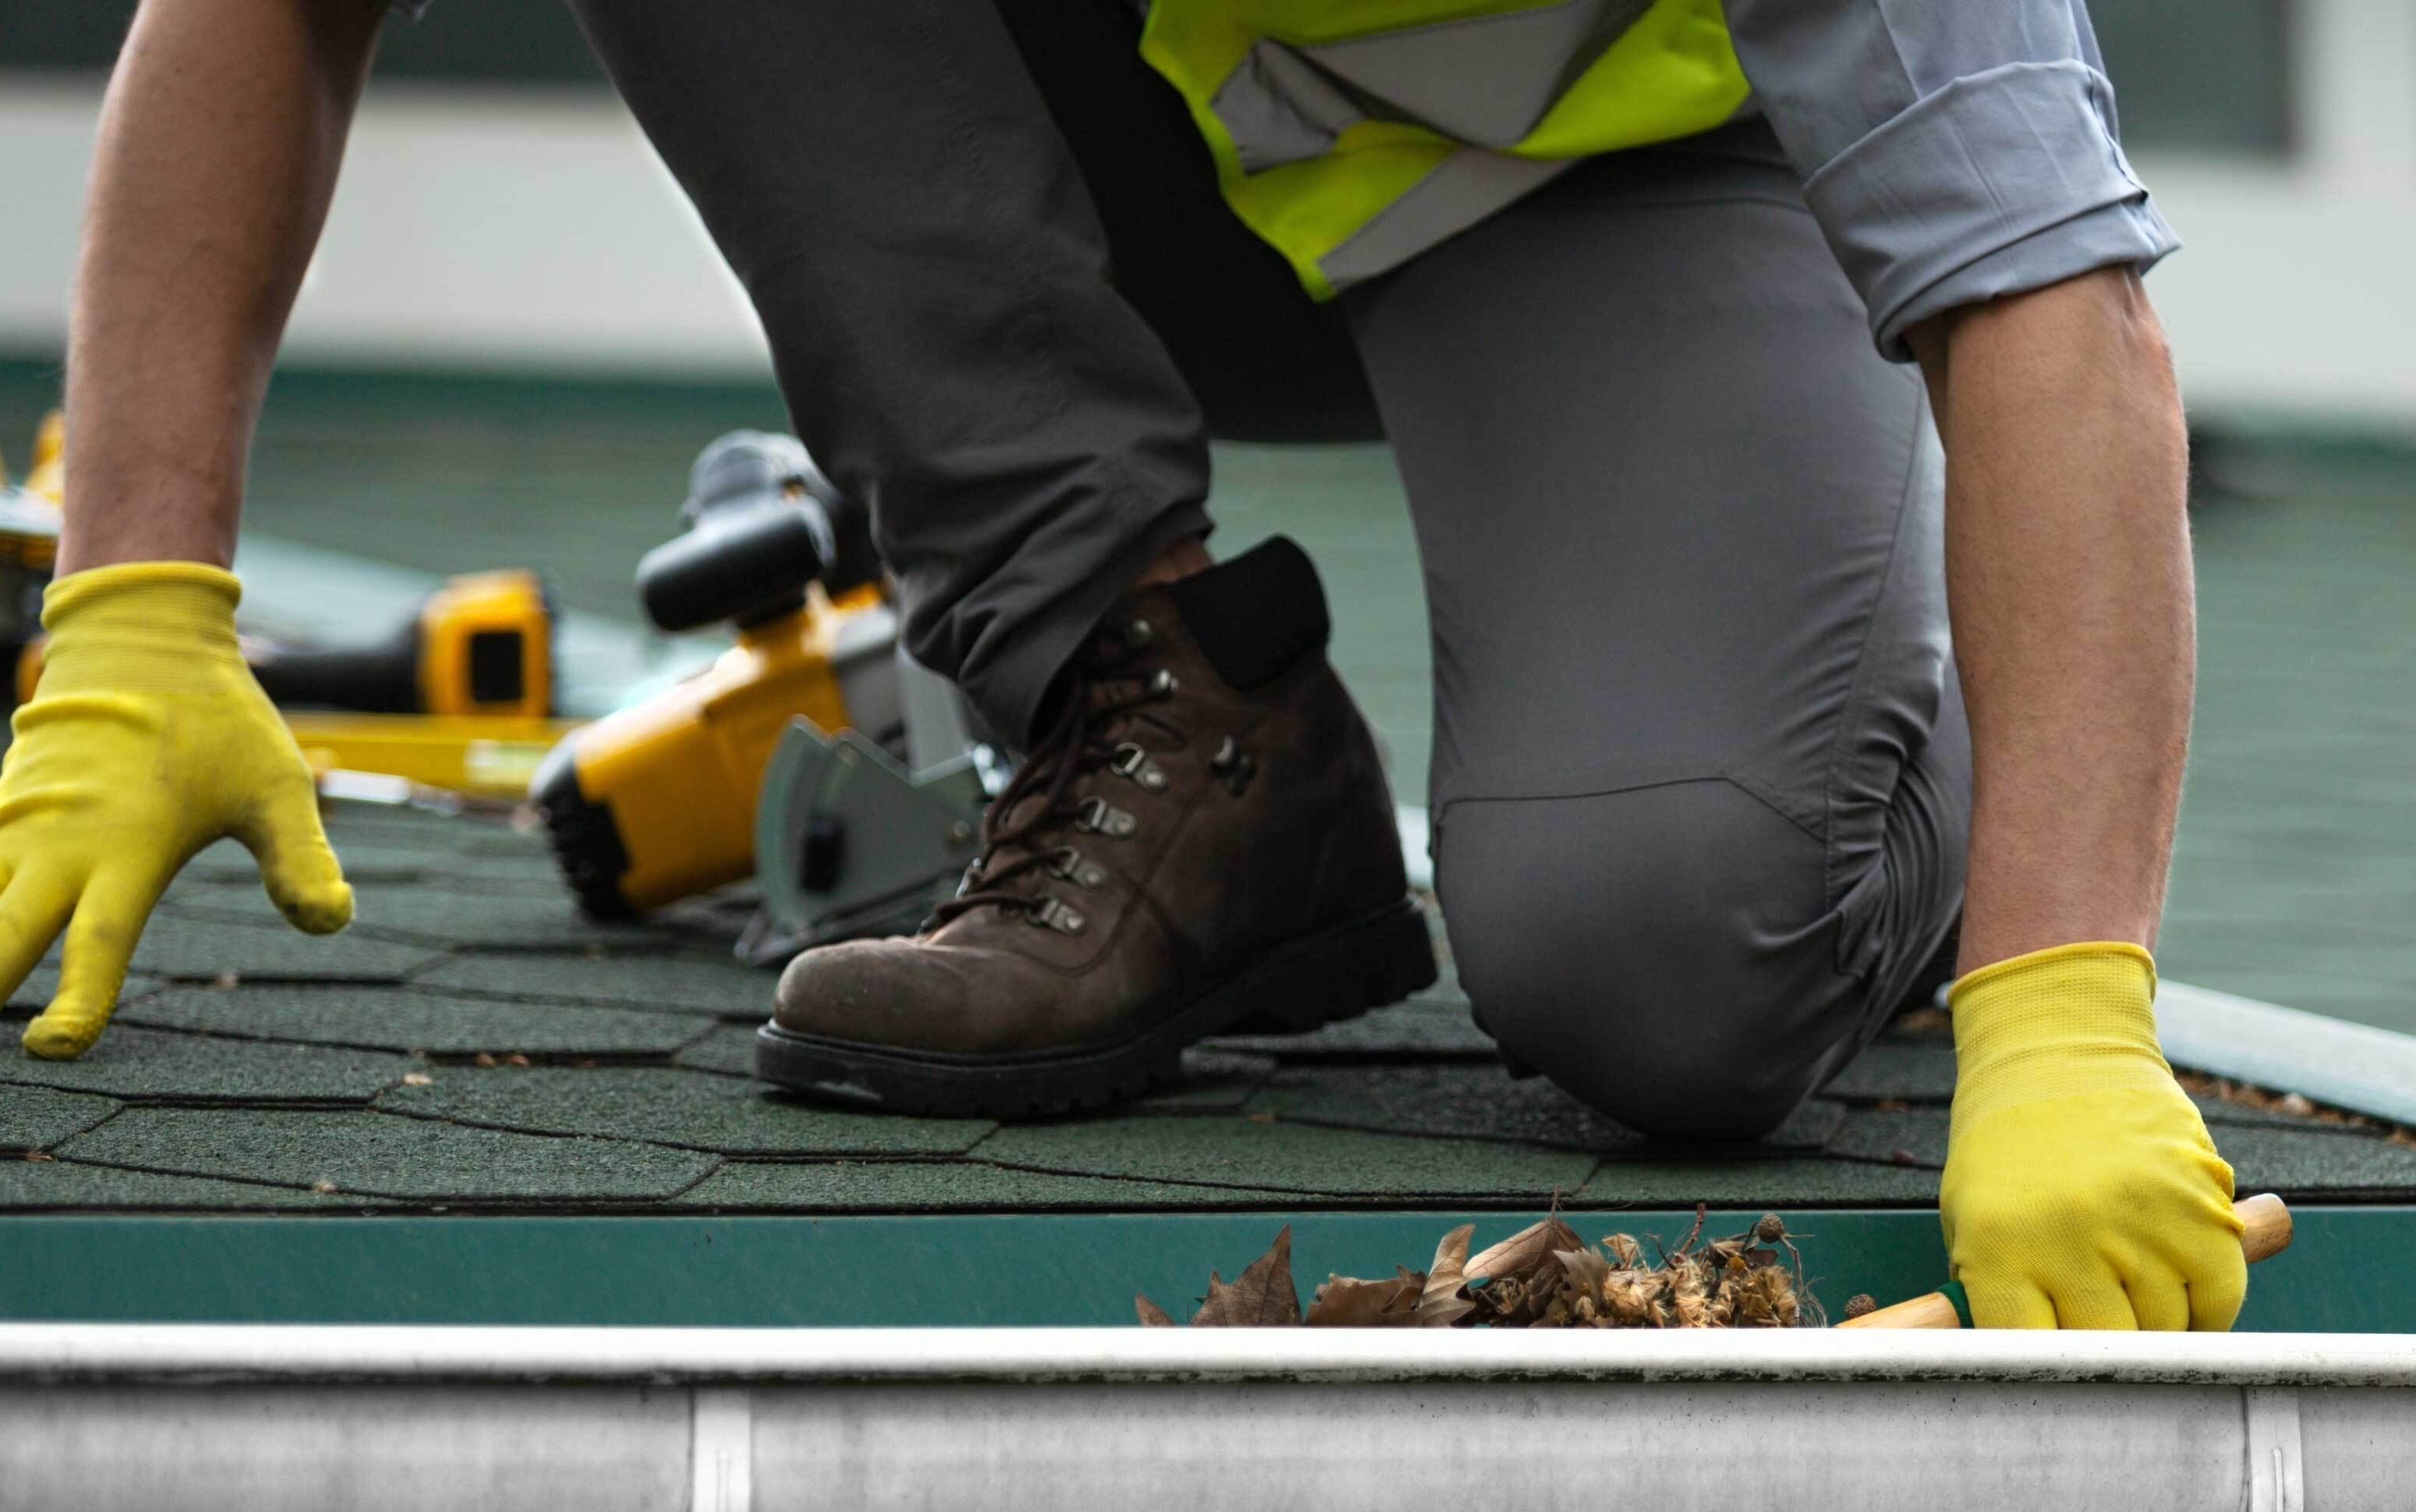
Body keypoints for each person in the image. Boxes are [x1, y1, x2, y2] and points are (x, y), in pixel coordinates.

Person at [0, 0, 2245, 1332]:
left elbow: (2055, 305)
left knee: (1669, 970)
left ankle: (1893, 778)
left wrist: (2057, 991)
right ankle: (1141, 688)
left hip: (1601, 189)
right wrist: (137, 613)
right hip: (1118, 121)